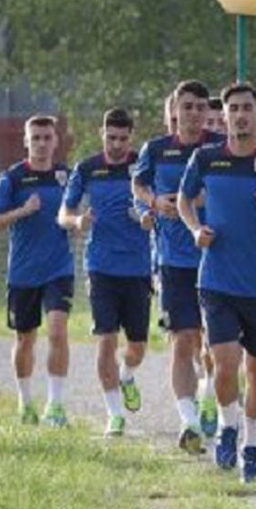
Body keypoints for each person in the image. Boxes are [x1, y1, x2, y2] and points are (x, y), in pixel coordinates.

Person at [178, 82, 256, 483]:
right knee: (226, 363)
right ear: (225, 115)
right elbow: (184, 199)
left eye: (247, 107)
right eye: (234, 108)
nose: (240, 114)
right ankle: (228, 429)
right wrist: (196, 229)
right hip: (216, 280)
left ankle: (251, 446)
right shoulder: (207, 158)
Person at [132, 80, 224, 449]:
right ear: (175, 110)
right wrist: (156, 203)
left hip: (215, 256)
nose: (194, 113)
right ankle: (188, 423)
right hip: (173, 260)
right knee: (183, 341)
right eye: (187, 107)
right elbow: (137, 185)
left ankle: (208, 400)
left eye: (200, 107)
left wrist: (196, 198)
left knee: (215, 346)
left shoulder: (218, 149)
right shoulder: (156, 149)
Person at [58, 108, 153, 439]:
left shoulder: (143, 164)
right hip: (100, 266)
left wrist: (147, 216)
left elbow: (156, 202)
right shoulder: (87, 168)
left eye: (123, 139)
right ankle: (114, 415)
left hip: (138, 267)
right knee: (106, 339)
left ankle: (126, 376)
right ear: (102, 134)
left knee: (137, 346)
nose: (117, 145)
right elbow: (64, 214)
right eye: (111, 138)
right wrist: (77, 222)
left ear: (131, 137)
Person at [0, 116, 74, 427]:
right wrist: (22, 211)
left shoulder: (66, 176)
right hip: (23, 273)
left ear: (56, 141)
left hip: (59, 269)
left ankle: (56, 406)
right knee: (25, 339)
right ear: (26, 142)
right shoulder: (13, 178)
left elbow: (77, 210)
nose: (42, 143)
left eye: (47, 137)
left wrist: (79, 220)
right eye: (36, 138)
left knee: (58, 332)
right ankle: (25, 401)